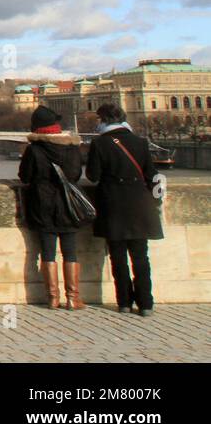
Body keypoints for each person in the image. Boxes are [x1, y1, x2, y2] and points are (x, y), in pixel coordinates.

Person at [86, 103, 163, 315]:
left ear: (103, 120)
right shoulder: (140, 142)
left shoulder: (100, 143)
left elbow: (93, 175)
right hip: (140, 203)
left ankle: (124, 302)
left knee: (118, 256)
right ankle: (146, 303)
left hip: (113, 204)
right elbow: (152, 174)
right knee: (140, 256)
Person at [18, 105, 86, 309]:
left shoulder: (34, 150)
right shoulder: (72, 148)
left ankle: (53, 298)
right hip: (68, 206)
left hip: (43, 204)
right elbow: (75, 175)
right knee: (70, 252)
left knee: (47, 252)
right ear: (56, 127)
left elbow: (25, 176)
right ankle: (73, 298)